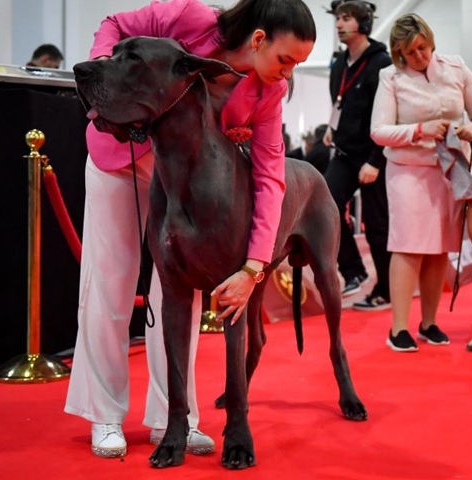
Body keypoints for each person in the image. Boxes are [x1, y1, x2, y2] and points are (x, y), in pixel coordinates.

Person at [64, 0, 315, 458]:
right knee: (110, 283)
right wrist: (106, 74)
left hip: (182, 183)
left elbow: (270, 177)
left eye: (297, 64)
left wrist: (254, 266)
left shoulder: (269, 92)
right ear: (259, 39)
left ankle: (172, 419)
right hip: (120, 160)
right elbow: (115, 24)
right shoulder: (192, 19)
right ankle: (105, 414)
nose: (288, 73)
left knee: (180, 297)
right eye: (286, 60)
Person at [371, 13, 472, 351]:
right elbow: (378, 131)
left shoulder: (456, 67)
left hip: (451, 170)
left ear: (431, 41)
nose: (419, 56)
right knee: (408, 246)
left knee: (441, 247)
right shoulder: (390, 77)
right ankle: (398, 329)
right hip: (408, 170)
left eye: (423, 48)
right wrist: (418, 130)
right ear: (398, 52)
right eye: (410, 52)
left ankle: (429, 323)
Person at [323, 0, 393, 309]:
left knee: (377, 225)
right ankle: (353, 271)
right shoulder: (338, 63)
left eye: (347, 18)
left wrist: (376, 160)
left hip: (373, 156)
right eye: (338, 18)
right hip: (344, 152)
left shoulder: (381, 63)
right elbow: (339, 103)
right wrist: (331, 128)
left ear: (363, 23)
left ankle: (386, 290)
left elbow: (389, 116)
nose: (339, 24)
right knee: (325, 206)